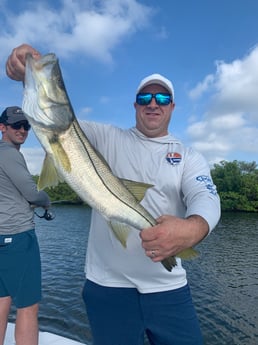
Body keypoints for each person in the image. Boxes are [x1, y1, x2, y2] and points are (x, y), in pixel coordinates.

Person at [6, 44, 221, 345]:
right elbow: (51, 113)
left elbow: (206, 198)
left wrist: (193, 228)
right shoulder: (104, 136)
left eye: (162, 98)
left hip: (168, 289)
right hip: (107, 287)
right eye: (145, 98)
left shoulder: (188, 156)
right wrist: (26, 68)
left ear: (173, 107)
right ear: (134, 105)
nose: (153, 104)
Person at [0, 105, 50, 345]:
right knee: (28, 305)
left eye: (26, 126)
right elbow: (32, 193)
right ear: (2, 127)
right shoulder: (9, 153)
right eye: (16, 126)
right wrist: (46, 200)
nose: (22, 130)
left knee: (1, 300)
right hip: (18, 238)